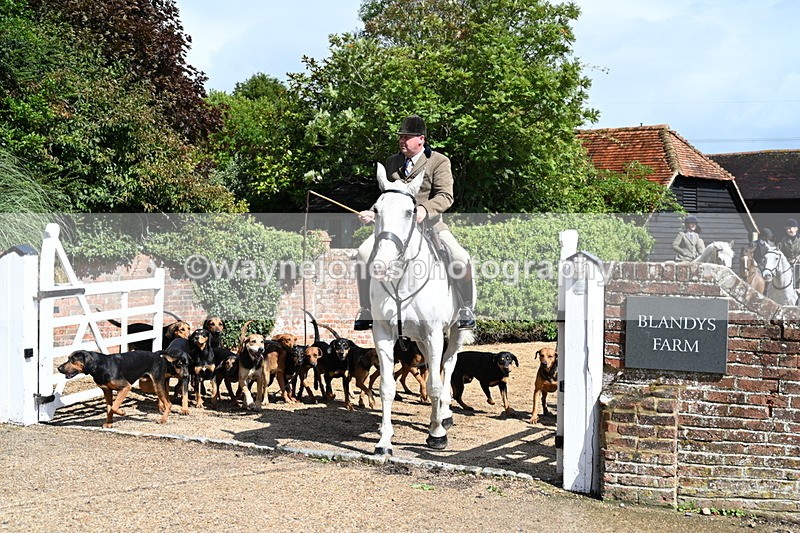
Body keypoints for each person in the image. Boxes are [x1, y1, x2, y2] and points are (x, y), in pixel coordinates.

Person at [353, 114, 475, 331]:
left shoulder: (439, 161)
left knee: (460, 257)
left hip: (429, 226)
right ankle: (366, 309)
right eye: (400, 137)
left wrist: (424, 209)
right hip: (395, 228)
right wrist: (372, 212)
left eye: (407, 137)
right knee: (363, 253)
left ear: (421, 139)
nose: (402, 141)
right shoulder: (392, 162)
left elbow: (446, 196)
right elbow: (389, 197)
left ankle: (466, 308)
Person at [778, 218, 800, 288]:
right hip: (787, 264)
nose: (788, 230)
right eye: (787, 229)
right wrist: (787, 259)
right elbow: (780, 252)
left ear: (796, 229)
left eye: (790, 228)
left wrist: (796, 259)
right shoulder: (783, 240)